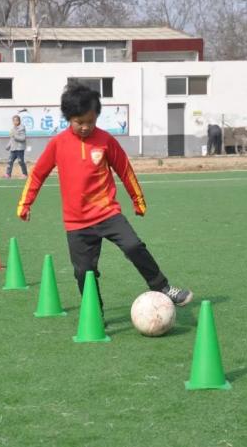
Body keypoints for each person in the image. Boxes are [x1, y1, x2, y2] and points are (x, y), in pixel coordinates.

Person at [16, 84, 193, 316]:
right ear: (69, 118)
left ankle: (162, 287)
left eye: (91, 121)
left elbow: (124, 169)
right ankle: (94, 312)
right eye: (80, 122)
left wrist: (137, 200)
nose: (86, 127)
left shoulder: (105, 140)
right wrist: (25, 203)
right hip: (76, 222)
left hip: (107, 213)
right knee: (83, 272)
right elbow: (38, 174)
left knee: (134, 246)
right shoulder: (58, 144)